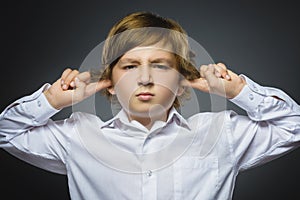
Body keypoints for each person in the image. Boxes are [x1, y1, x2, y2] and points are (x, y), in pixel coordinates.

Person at [0, 11, 299, 200]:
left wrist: (239, 92)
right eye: (129, 67)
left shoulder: (221, 133)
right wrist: (50, 101)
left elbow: (294, 127)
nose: (144, 78)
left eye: (159, 66)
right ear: (111, 82)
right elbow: (5, 133)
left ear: (182, 80)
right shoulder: (78, 136)